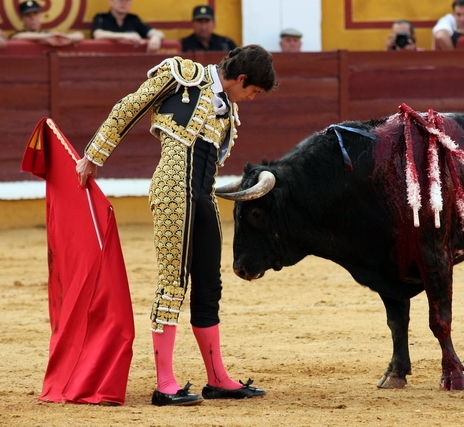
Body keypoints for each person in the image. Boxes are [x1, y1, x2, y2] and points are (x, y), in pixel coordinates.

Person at [75, 45, 277, 407]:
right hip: (172, 188)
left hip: (205, 195)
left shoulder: (227, 109)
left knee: (208, 284)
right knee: (173, 281)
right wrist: (93, 156)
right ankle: (164, 383)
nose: (251, 98)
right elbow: (129, 107)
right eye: (254, 92)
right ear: (242, 78)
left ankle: (217, 378)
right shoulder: (183, 74)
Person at [92, 0, 164, 53]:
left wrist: (156, 37)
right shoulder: (101, 17)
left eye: (127, 1)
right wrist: (126, 36)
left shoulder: (133, 19)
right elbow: (98, 35)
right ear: (111, 2)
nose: (123, 3)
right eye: (120, 0)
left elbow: (154, 32)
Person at [10, 1, 84, 46]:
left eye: (35, 14)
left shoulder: (48, 34)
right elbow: (17, 37)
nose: (33, 19)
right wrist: (44, 37)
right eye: (28, 15)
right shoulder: (18, 35)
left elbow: (80, 35)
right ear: (21, 19)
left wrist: (71, 38)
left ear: (40, 16)